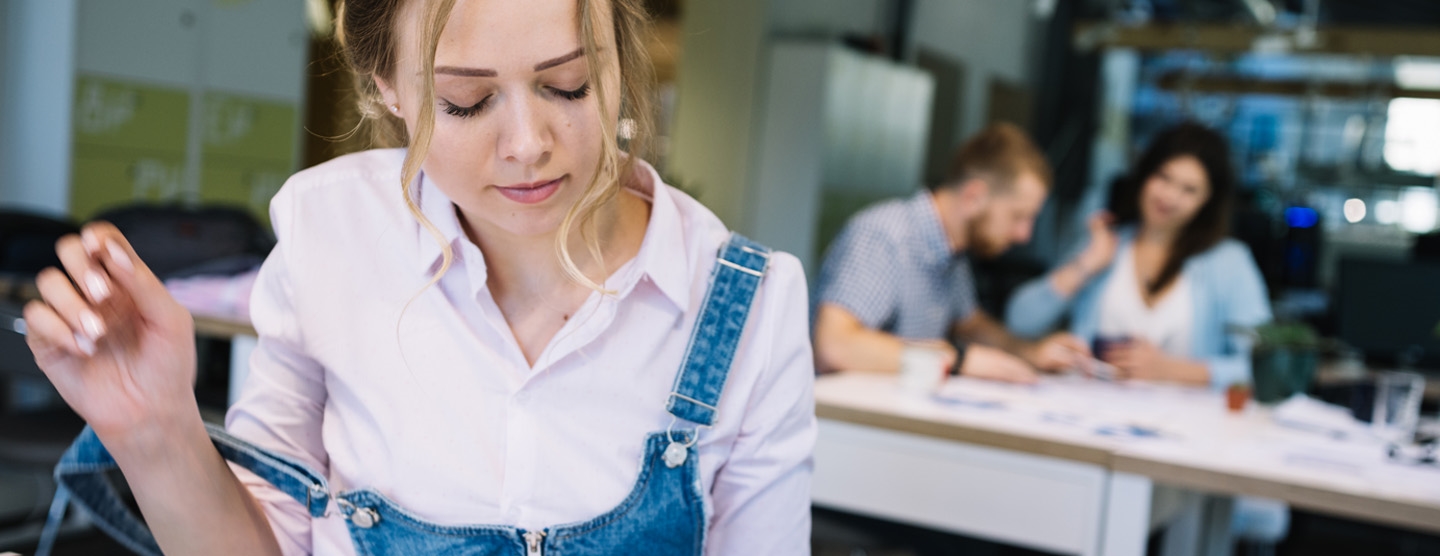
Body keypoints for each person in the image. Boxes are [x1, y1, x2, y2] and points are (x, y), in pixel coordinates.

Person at [23, 0, 815, 554]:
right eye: (466, 102)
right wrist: (157, 428)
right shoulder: (331, 237)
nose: (528, 144)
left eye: (569, 84)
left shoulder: (746, 302)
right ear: (385, 87)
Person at [813, 123, 1088, 383]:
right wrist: (957, 360)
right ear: (973, 197)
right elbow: (835, 345)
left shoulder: (952, 255)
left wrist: (1031, 352)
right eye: (1018, 216)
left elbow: (971, 326)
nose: (1023, 235)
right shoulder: (886, 237)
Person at [1006, 122, 1271, 389]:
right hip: (1087, 409)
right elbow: (1019, 321)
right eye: (1164, 178)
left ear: (1207, 201)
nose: (1169, 196)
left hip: (1182, 422)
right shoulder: (1107, 241)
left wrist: (1171, 370)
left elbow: (1265, 367)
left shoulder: (1229, 262)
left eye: (1189, 190)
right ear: (1144, 175)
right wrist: (1086, 265)